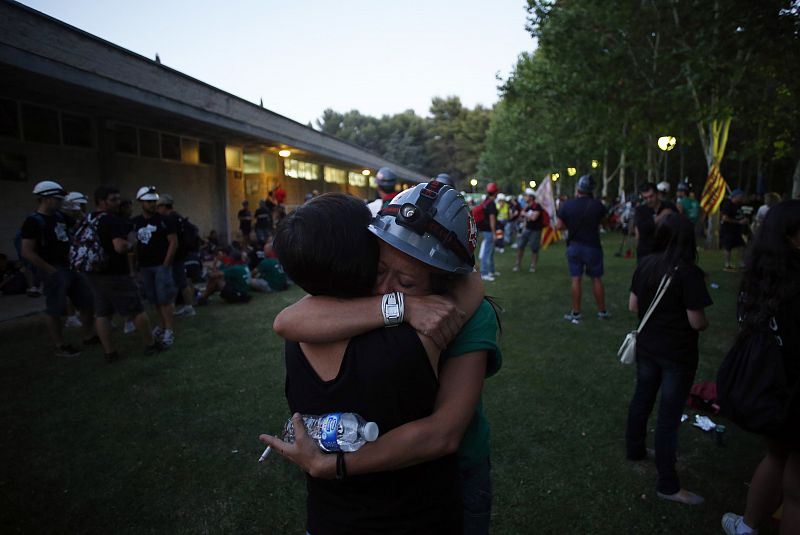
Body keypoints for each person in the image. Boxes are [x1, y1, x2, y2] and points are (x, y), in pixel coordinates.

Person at [265, 183, 501, 534]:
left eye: (405, 281)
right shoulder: (376, 302)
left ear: (443, 282)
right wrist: (402, 304)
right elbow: (288, 320)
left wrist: (340, 465)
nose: (383, 287)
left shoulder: (467, 313)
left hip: (457, 469)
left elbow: (445, 432)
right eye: (378, 270)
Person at [722, 200, 800, 535]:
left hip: (768, 388)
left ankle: (749, 526)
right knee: (796, 484)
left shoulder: (758, 278)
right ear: (791, 236)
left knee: (776, 455)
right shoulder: (793, 286)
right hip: (790, 389)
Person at [625, 213, 712, 505]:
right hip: (677, 353)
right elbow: (696, 321)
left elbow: (633, 305)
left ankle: (635, 449)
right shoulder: (688, 273)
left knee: (642, 399)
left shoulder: (646, 264)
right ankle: (668, 484)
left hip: (649, 348)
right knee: (668, 417)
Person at [86, 186, 166, 362]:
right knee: (137, 309)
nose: (118, 203)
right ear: (101, 201)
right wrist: (131, 243)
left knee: (102, 314)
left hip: (94, 272)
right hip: (115, 273)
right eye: (113, 199)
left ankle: (109, 353)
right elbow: (120, 247)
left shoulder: (90, 218)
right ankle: (150, 344)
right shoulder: (111, 220)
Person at [20, 180, 96, 357]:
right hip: (53, 269)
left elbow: (83, 227)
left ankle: (88, 336)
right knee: (55, 308)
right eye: (58, 199)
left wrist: (79, 214)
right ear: (46, 199)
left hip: (71, 266)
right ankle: (60, 346)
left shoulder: (60, 217)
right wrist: (50, 270)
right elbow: (27, 251)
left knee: (86, 301)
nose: (61, 202)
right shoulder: (33, 222)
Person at [557, 174, 609, 323]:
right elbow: (605, 223)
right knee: (596, 279)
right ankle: (602, 312)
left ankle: (576, 313)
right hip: (593, 246)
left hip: (574, 246)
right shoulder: (597, 205)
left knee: (576, 279)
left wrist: (572, 227)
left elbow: (559, 226)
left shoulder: (567, 205)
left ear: (578, 188)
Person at [131, 186, 178, 346]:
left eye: (153, 201)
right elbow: (134, 245)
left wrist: (166, 264)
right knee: (155, 299)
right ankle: (162, 325)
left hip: (160, 265)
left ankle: (169, 330)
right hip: (145, 266)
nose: (152, 204)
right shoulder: (136, 222)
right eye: (148, 201)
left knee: (164, 298)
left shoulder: (165, 220)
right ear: (141, 202)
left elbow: (173, 242)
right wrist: (135, 264)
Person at [156, 194, 197, 318]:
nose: (157, 209)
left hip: (176, 255)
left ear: (164, 206)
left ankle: (188, 307)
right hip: (181, 253)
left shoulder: (170, 219)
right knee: (180, 280)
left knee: (179, 281)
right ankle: (186, 306)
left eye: (159, 206)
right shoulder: (178, 217)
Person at [634, 182, 677, 261]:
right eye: (645, 198)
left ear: (657, 194)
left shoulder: (669, 207)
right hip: (646, 253)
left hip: (666, 251)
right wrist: (660, 217)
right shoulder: (640, 210)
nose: (649, 200)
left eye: (651, 196)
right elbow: (642, 229)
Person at [513, 188, 544, 273]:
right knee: (520, 247)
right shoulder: (527, 206)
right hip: (527, 229)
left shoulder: (537, 206)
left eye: (526, 196)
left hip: (535, 230)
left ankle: (533, 266)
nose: (524, 197)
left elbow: (534, 218)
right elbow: (522, 217)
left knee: (534, 249)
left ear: (531, 197)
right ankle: (517, 264)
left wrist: (524, 214)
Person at [720, 189, 749, 272]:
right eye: (741, 196)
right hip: (728, 230)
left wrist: (744, 220)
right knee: (728, 247)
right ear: (736, 196)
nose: (742, 198)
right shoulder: (728, 204)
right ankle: (727, 265)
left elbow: (738, 215)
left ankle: (742, 263)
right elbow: (725, 218)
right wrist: (738, 222)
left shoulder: (738, 205)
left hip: (736, 230)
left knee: (742, 246)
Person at [477, 182, 499, 282]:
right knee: (487, 252)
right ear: (495, 192)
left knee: (490, 251)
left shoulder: (485, 201)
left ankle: (491, 270)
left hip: (484, 230)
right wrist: (494, 233)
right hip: (489, 231)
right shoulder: (491, 204)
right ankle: (485, 272)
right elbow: (492, 219)